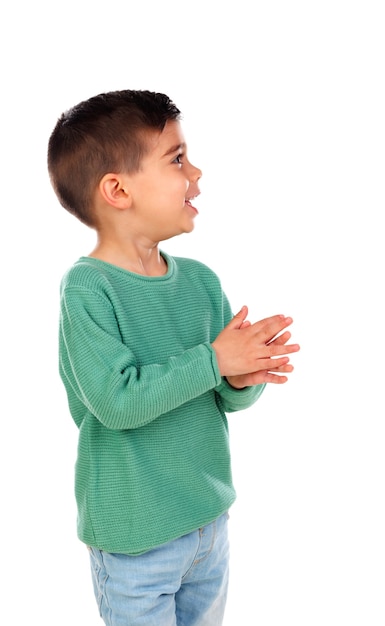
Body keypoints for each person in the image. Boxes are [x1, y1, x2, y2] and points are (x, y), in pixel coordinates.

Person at [47, 89, 300, 626]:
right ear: (117, 190)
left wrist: (242, 376)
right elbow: (116, 403)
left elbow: (220, 396)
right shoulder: (88, 289)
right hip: (136, 540)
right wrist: (213, 362)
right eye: (178, 159)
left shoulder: (202, 283)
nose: (198, 174)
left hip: (209, 523)